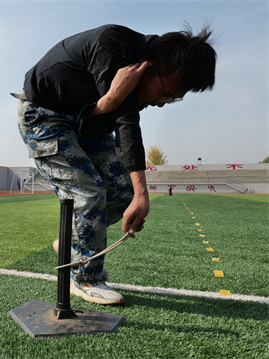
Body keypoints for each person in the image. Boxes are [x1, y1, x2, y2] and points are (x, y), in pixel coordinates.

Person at [14, 24, 216, 305]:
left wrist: (137, 194)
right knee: (88, 193)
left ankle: (75, 242)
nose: (160, 103)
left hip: (86, 122)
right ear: (152, 67)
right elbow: (126, 124)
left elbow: (115, 119)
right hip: (45, 116)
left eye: (172, 100)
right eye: (166, 94)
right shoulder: (113, 45)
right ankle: (86, 279)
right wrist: (143, 194)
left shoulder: (143, 74)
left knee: (123, 193)